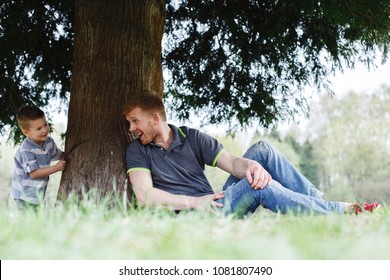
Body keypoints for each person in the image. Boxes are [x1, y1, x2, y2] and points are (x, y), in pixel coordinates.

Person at [123, 90, 381, 218]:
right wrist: (194, 202)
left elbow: (233, 163)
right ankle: (342, 211)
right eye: (129, 123)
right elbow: (146, 196)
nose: (132, 129)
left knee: (261, 152)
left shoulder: (191, 137)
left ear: (155, 118)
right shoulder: (137, 151)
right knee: (257, 187)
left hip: (218, 201)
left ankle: (315, 202)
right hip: (199, 214)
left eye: (135, 121)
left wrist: (251, 167)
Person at [11, 105, 66, 212]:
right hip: (24, 195)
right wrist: (56, 168)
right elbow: (34, 173)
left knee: (39, 219)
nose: (45, 130)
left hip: (38, 194)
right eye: (39, 128)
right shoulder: (26, 149)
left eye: (45, 125)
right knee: (30, 222)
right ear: (26, 132)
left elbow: (59, 155)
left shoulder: (49, 142)